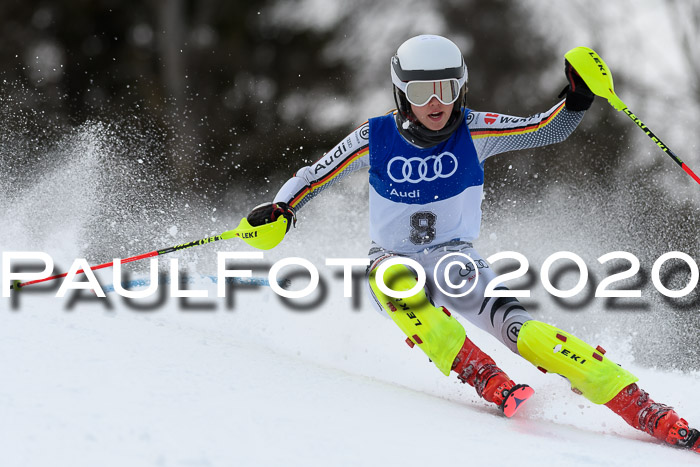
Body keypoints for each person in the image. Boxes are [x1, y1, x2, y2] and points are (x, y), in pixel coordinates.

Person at [245, 34, 700, 451]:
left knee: (522, 329)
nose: (436, 103)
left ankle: (640, 404)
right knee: (396, 285)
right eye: (422, 93)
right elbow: (314, 176)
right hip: (392, 257)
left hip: (454, 258)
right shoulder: (375, 136)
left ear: (460, 87)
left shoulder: (475, 130)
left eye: (446, 88)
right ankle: (481, 373)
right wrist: (283, 209)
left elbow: (543, 128)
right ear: (401, 94)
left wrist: (577, 98)